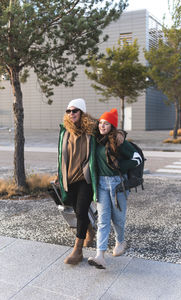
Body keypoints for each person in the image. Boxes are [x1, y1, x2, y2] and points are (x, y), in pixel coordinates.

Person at [88, 108, 142, 269]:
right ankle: (100, 255)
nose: (102, 126)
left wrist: (121, 165)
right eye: (101, 123)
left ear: (112, 126)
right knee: (103, 220)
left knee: (118, 219)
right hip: (101, 185)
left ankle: (120, 241)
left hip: (118, 184)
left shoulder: (119, 142)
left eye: (106, 123)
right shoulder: (96, 140)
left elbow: (137, 158)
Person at [57, 98, 97, 265]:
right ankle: (89, 231)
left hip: (85, 179)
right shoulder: (64, 131)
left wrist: (119, 135)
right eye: (69, 111)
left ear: (82, 112)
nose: (71, 113)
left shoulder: (92, 130)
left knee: (81, 211)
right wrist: (59, 174)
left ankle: (77, 250)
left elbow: (111, 130)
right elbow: (61, 155)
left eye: (75, 110)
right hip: (69, 179)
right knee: (77, 210)